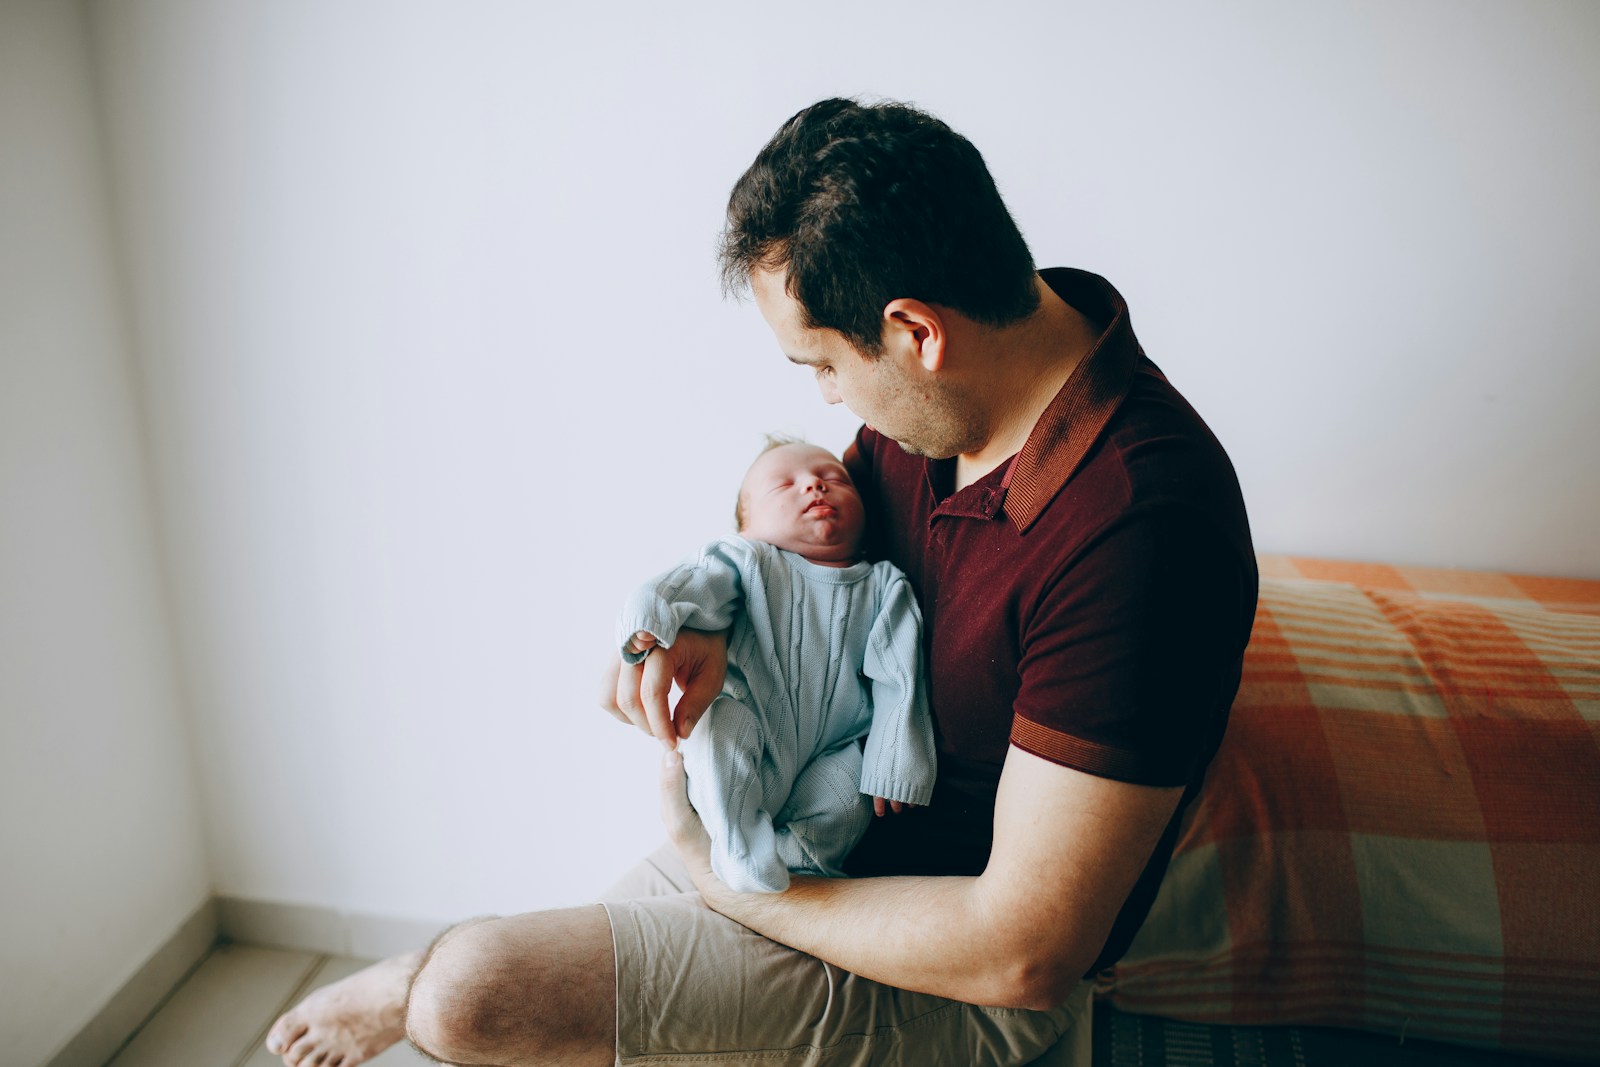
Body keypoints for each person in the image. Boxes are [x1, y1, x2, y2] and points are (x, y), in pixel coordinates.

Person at [265, 96, 1256, 1067]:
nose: (824, 399)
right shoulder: (946, 408)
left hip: (950, 969)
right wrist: (713, 623)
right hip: (804, 830)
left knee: (462, 991)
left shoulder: (1142, 527)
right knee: (535, 993)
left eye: (820, 364)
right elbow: (805, 559)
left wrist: (733, 888)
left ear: (916, 331)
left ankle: (415, 978)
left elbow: (1024, 949)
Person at [618, 437, 935, 893]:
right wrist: (651, 611)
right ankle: (737, 846)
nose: (814, 487)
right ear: (747, 527)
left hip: (832, 747)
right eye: (784, 485)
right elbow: (696, 579)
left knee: (850, 794)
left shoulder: (885, 585)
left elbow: (899, 675)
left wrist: (894, 756)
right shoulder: (751, 561)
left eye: (833, 479)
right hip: (753, 726)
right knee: (718, 732)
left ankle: (798, 860)